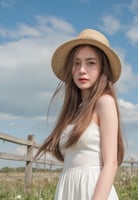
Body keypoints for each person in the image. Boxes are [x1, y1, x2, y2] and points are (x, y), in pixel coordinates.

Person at [35, 28, 125, 200]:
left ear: (102, 68)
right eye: (76, 63)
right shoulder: (73, 111)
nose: (81, 70)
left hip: (93, 190)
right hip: (68, 188)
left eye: (90, 63)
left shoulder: (104, 102)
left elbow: (111, 163)